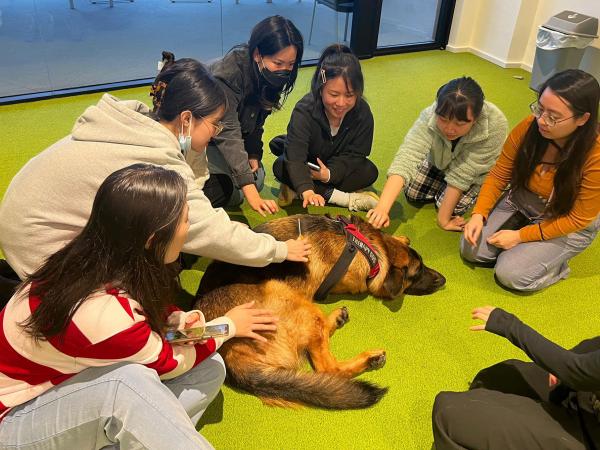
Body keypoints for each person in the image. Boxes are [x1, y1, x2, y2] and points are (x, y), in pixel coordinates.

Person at [0, 164, 278, 449]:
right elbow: (169, 359)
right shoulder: (103, 314)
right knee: (127, 384)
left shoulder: (96, 259)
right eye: (184, 220)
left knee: (209, 367)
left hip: (62, 389)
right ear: (151, 238)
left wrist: (185, 321)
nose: (189, 228)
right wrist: (227, 326)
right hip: (13, 421)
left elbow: (158, 329)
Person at [0, 53, 310, 287]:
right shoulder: (154, 163)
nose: (216, 133)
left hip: (23, 225)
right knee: (152, 283)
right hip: (41, 253)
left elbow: (194, 183)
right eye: (214, 124)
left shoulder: (140, 125)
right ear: (187, 119)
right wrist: (280, 250)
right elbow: (209, 229)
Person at [461, 69, 600, 292]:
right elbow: (499, 174)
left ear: (583, 119)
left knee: (511, 275)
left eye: (553, 117)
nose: (542, 121)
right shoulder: (529, 126)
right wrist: (479, 213)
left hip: (565, 220)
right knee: (471, 249)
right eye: (540, 108)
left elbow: (577, 219)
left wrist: (519, 236)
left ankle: (557, 268)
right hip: (523, 199)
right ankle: (525, 247)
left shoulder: (595, 155)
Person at [432, 305, 600, 449]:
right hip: (586, 393)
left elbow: (575, 370)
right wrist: (569, 360)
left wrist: (509, 325)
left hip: (589, 437)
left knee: (447, 413)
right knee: (496, 377)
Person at [367, 76, 508, 231]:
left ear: (475, 118)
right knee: (413, 194)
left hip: (473, 174)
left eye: (460, 124)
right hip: (440, 163)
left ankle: (472, 190)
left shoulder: (495, 125)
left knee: (452, 208)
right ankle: (441, 184)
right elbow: (408, 155)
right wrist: (382, 208)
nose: (449, 129)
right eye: (443, 119)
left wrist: (444, 221)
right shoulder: (429, 115)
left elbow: (463, 174)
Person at [204, 15, 303, 215]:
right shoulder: (228, 76)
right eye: (278, 63)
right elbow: (228, 132)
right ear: (258, 54)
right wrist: (249, 192)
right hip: (204, 138)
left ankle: (230, 182)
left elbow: (256, 120)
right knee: (239, 189)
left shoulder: (269, 75)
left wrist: (253, 153)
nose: (285, 70)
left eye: (291, 64)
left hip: (228, 137)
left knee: (256, 179)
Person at [269, 44, 380, 211]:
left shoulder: (362, 112)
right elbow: (296, 156)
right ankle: (347, 199)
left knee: (369, 172)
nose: (341, 103)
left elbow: (356, 154)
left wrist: (328, 174)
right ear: (320, 89)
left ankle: (295, 190)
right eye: (334, 95)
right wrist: (307, 190)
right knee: (281, 166)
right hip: (310, 164)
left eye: (350, 95)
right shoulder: (304, 110)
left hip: (336, 167)